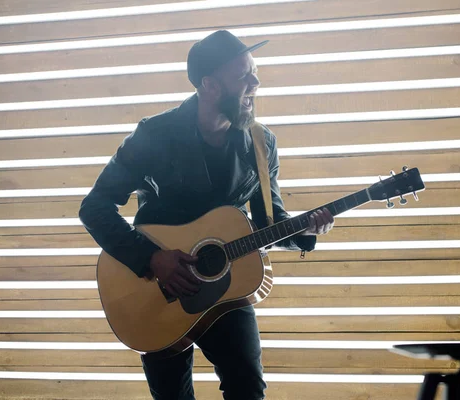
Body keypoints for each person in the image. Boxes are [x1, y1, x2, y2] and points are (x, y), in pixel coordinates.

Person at [79, 30, 335, 400]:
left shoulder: (261, 144)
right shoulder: (154, 134)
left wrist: (305, 228)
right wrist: (151, 258)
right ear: (210, 86)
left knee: (248, 391)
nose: (256, 83)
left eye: (255, 72)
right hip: (158, 289)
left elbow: (267, 221)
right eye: (243, 75)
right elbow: (95, 207)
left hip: (228, 291)